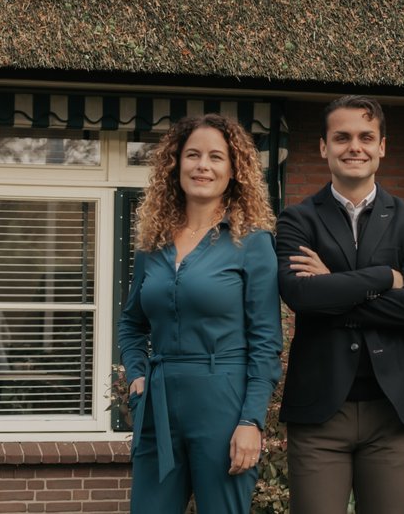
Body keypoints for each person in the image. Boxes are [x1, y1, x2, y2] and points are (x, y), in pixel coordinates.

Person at [274, 96, 404, 514]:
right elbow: (301, 296)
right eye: (342, 137)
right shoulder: (297, 220)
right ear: (323, 147)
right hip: (319, 412)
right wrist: (385, 277)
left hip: (392, 411)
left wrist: (332, 285)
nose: (355, 146)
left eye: (366, 137)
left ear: (382, 146)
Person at [115, 114, 283, 514]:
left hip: (222, 400)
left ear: (233, 170)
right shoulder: (152, 245)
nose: (202, 165)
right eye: (192, 155)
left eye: (215, 157)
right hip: (157, 403)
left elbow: (266, 342)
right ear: (175, 165)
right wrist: (137, 374)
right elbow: (131, 323)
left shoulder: (253, 243)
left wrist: (251, 422)